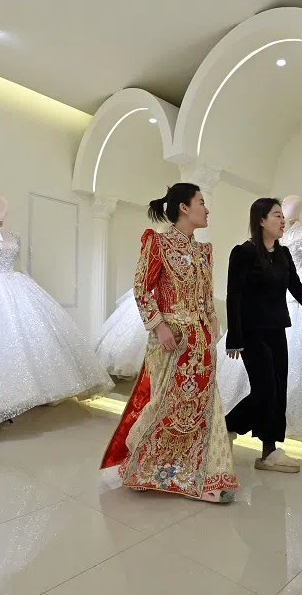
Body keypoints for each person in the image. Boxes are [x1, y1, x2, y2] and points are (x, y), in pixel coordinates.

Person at [99, 183, 237, 503]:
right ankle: (154, 465)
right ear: (184, 208)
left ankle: (205, 475)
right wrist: (159, 327)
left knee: (205, 407)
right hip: (170, 341)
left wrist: (213, 324)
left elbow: (204, 298)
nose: (207, 209)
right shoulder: (158, 243)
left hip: (201, 342)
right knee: (169, 406)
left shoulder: (203, 252)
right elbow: (141, 289)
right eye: (202, 202)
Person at [224, 198, 302, 473]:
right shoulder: (243, 252)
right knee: (265, 390)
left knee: (278, 394)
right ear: (261, 220)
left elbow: (298, 291)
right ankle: (226, 427)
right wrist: (235, 337)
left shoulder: (284, 255)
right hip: (252, 333)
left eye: (282, 216)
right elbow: (234, 296)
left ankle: (270, 451)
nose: (282, 220)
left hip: (277, 330)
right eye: (277, 215)